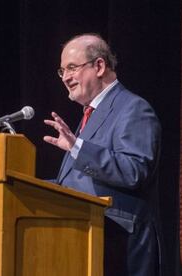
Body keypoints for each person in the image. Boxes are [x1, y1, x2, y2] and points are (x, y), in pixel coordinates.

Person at [43, 33, 162, 276]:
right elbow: (77, 186)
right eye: (62, 70)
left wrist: (77, 148)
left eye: (72, 68)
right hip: (85, 242)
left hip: (118, 246)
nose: (65, 77)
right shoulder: (92, 113)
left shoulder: (133, 108)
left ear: (99, 66)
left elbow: (134, 171)